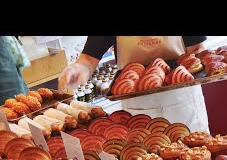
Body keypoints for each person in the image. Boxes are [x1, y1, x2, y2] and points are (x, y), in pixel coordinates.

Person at [58, 36, 210, 133]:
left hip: (183, 100)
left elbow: (196, 50)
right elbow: (88, 59)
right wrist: (78, 68)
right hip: (138, 106)